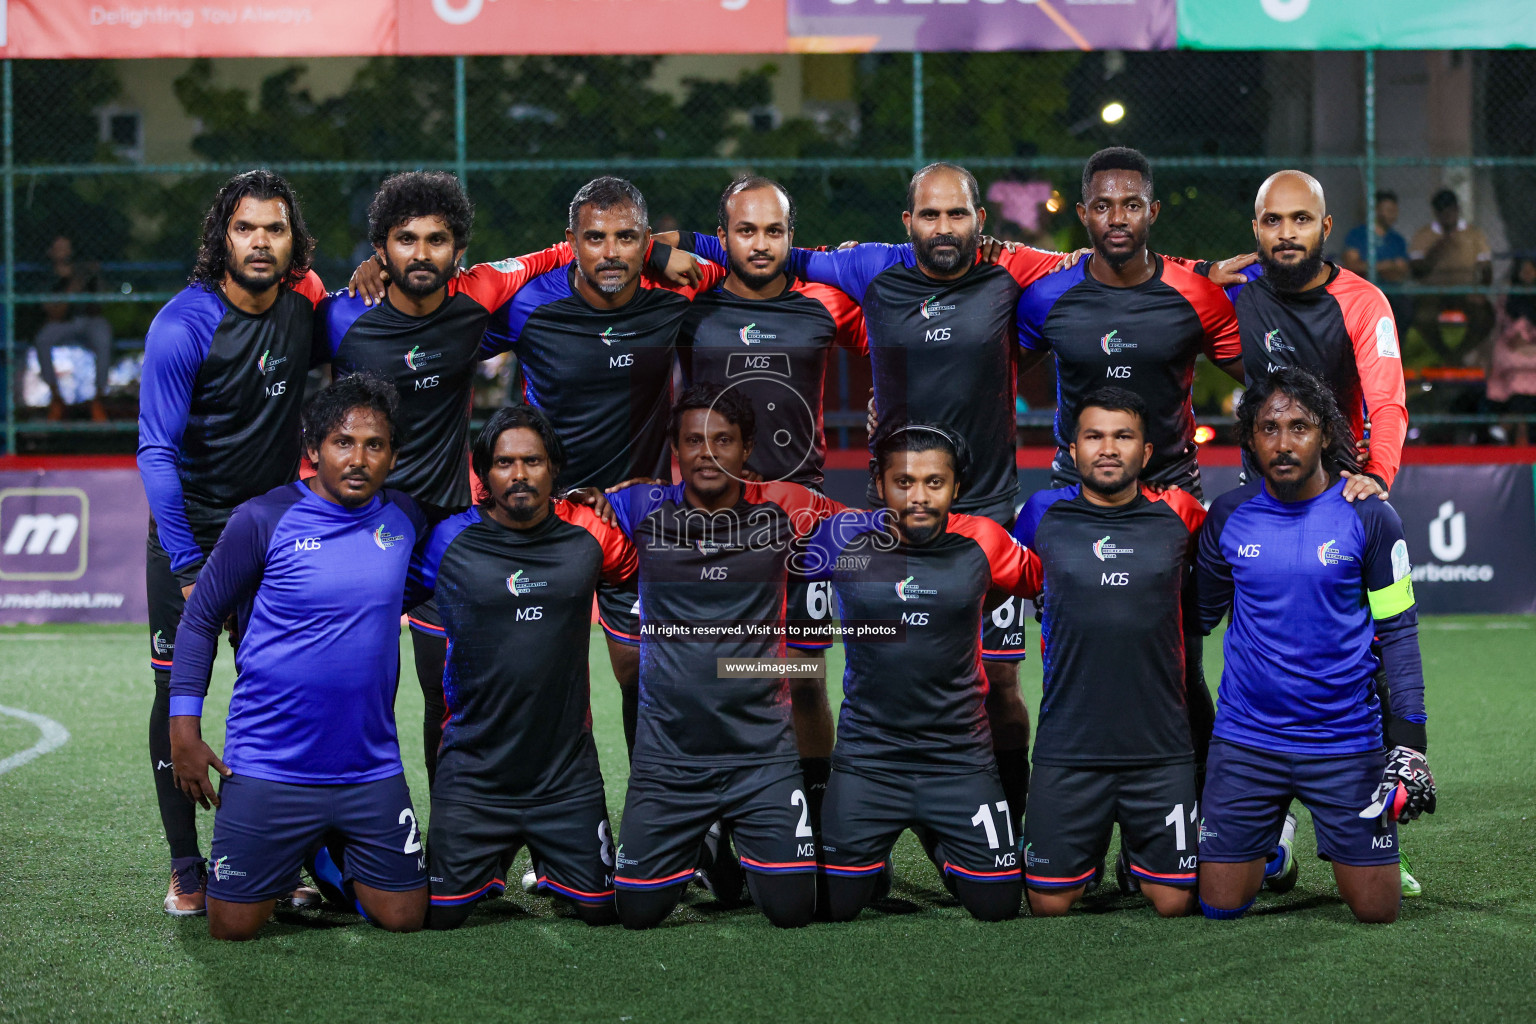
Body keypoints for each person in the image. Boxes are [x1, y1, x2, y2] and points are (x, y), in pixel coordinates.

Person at [672, 161, 1070, 838]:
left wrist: (1201, 273)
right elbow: (778, 253)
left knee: (998, 684)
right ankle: (842, 823)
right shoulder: (870, 273)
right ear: (907, 221)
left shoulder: (1012, 274)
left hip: (989, 514)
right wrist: (667, 246)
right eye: (930, 214)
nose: (944, 227)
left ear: (981, 220)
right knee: (876, 673)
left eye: (958, 214)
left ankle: (1011, 818)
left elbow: (1094, 264)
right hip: (888, 522)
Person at [318, 171, 581, 787]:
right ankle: (342, 843)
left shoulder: (479, 292)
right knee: (350, 697)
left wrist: (668, 247)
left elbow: (570, 248)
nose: (421, 253)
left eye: (437, 239)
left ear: (459, 249)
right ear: (380, 248)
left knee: (447, 701)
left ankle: (451, 845)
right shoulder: (341, 318)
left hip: (444, 536)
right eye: (405, 239)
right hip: (360, 535)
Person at [166, 374, 431, 940]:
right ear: (313, 449)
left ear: (393, 455)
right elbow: (199, 619)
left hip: (369, 769)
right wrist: (183, 730)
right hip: (269, 767)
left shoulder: (406, 518)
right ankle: (295, 844)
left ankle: (327, 857)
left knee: (405, 918)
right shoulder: (262, 519)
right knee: (233, 928)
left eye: (374, 445)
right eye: (342, 442)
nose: (357, 459)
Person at [479, 176, 724, 761]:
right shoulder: (530, 305)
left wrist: (670, 246)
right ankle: (557, 826)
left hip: (631, 518)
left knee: (645, 677)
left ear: (645, 243)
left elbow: (749, 252)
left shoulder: (674, 297)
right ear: (571, 242)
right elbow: (440, 320)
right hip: (544, 520)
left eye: (626, 237)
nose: (610, 252)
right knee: (540, 682)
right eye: (595, 238)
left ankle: (655, 817)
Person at [137, 170, 326, 916]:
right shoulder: (183, 324)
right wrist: (187, 565)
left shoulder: (304, 304)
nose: (259, 242)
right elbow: (156, 452)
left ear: (293, 243)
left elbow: (357, 317)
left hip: (272, 542)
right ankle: (188, 867)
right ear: (222, 236)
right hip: (189, 544)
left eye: (274, 229)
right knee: (175, 692)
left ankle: (271, 863)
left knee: (278, 693)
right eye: (245, 228)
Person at [1194, 367, 1436, 924]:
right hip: (1247, 743)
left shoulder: (1370, 514)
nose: (1283, 443)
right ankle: (1274, 845)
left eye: (1299, 426)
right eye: (1268, 428)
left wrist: (1412, 742)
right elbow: (1192, 623)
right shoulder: (1229, 515)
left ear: (1326, 433)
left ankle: (1291, 835)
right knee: (1219, 907)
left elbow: (1398, 630)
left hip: (1344, 742)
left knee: (1378, 912)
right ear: (1250, 440)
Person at [605, 383, 844, 930]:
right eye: (693, 440)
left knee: (793, 912)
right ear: (675, 451)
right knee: (636, 914)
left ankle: (724, 841)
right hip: (668, 763)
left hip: (761, 758)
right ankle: (708, 845)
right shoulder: (638, 507)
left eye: (723, 440)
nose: (707, 453)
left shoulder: (787, 509)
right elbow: (567, 517)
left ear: (746, 448)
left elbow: (877, 525)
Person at [676, 174, 868, 832]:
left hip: (802, 528)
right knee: (720, 682)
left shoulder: (826, 305)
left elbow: (907, 351)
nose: (761, 244)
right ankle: (716, 828)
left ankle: (820, 816)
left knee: (804, 678)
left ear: (792, 235)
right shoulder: (689, 306)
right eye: (746, 230)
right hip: (713, 528)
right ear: (722, 236)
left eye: (775, 231)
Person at [407, 405, 636, 929]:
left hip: (565, 777)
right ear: (484, 474)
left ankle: (557, 863)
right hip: (473, 775)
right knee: (437, 918)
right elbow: (382, 592)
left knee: (602, 913)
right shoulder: (448, 540)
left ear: (554, 467)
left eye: (532, 461)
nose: (519, 474)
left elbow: (638, 571)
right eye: (504, 463)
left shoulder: (591, 534)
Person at [803, 420, 1041, 923]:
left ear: (956, 487)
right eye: (904, 482)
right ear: (880, 482)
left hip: (958, 760)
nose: (919, 497)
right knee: (832, 907)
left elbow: (1048, 578)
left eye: (935, 483)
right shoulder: (840, 540)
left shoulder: (985, 542)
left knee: (997, 906)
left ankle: (945, 848)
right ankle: (874, 864)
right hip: (869, 760)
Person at [1011, 387, 1206, 918]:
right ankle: (1091, 855)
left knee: (1174, 904)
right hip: (1068, 748)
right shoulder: (1039, 516)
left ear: (1145, 452)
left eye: (1124, 436)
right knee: (1048, 906)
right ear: (1072, 450)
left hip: (1160, 750)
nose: (1108, 448)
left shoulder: (1182, 515)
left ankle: (1136, 860)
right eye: (1093, 436)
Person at [1016, 147, 1244, 500]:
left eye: (1132, 205)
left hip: (1171, 486)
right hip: (1077, 488)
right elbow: (999, 378)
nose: (1117, 218)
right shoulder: (1047, 297)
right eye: (1103, 206)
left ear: (1152, 212)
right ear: (1083, 214)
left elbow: (1263, 378)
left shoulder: (1198, 296)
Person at [1219, 170, 1409, 501]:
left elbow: (1388, 403)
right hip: (1258, 493)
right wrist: (1094, 261)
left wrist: (1378, 473)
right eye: (1273, 220)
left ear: (1325, 227)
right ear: (1256, 229)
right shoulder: (1235, 286)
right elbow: (1161, 280)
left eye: (1302, 219)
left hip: (1340, 488)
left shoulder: (1364, 302)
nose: (1286, 233)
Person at [33, 235, 115, 422]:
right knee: (43, 340)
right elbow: (55, 313)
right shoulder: (46, 277)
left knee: (104, 337)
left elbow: (98, 306)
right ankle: (56, 399)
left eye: (66, 247)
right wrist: (73, 286)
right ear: (50, 252)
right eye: (58, 248)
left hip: (88, 320)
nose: (63, 252)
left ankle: (98, 399)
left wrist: (90, 276)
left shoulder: (84, 271)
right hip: (62, 323)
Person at [1409, 188, 1494, 363]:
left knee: (1485, 317)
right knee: (1422, 316)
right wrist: (1439, 247)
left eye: (1451, 210)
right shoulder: (1424, 235)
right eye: (1442, 211)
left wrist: (1480, 292)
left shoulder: (1473, 234)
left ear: (1457, 209)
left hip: (1465, 291)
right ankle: (1445, 353)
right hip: (1432, 292)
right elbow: (1417, 272)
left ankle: (1456, 356)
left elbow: (1486, 269)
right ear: (1436, 212)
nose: (1447, 215)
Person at [1341, 190, 1413, 339]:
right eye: (1388, 210)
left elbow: (1403, 270)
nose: (1393, 215)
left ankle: (1397, 357)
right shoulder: (1358, 234)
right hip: (1362, 291)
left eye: (1394, 211)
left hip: (1392, 291)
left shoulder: (1397, 239)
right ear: (1375, 211)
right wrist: (1386, 266)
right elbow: (1351, 265)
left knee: (1405, 310)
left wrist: (1376, 267)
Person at [1488, 257, 1536, 445]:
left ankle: (1512, 428)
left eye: (1532, 270)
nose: (1527, 274)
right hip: (1512, 355)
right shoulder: (1508, 298)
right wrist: (1519, 335)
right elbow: (1506, 335)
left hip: (1529, 355)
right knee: (1516, 383)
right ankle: (1512, 434)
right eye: (1524, 269)